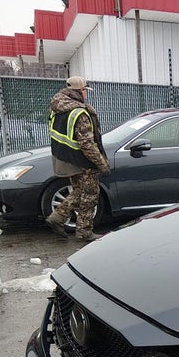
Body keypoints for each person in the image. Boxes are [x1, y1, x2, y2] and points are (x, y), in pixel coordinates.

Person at [46, 76, 109, 241]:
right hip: (82, 161)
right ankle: (84, 232)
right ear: (80, 91)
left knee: (80, 191)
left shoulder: (56, 109)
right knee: (90, 194)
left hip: (66, 158)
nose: (86, 93)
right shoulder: (79, 113)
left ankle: (58, 217)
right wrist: (101, 163)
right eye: (85, 90)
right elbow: (87, 144)